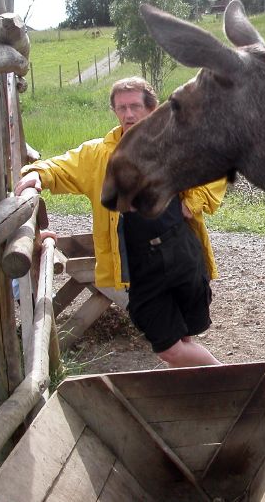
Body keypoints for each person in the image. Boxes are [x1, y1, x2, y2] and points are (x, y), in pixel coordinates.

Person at [14, 77, 226, 368]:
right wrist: (38, 173)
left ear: (151, 109)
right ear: (114, 111)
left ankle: (199, 392)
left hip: (182, 251)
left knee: (184, 335)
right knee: (168, 347)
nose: (128, 114)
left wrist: (195, 200)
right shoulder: (100, 154)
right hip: (140, 265)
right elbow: (62, 166)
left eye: (135, 107)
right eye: (121, 108)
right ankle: (228, 379)